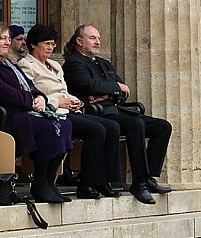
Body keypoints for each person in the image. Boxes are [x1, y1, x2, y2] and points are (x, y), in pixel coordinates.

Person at [62, 24, 172, 204]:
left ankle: (149, 176)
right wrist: (113, 89)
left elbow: (124, 90)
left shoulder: (103, 63)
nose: (97, 42)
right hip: (97, 113)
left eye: (98, 38)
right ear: (79, 41)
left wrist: (108, 92)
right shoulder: (74, 63)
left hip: (115, 109)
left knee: (162, 127)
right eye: (92, 38)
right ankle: (139, 182)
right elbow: (90, 86)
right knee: (136, 125)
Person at [18, 24, 123, 200]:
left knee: (111, 126)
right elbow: (32, 94)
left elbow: (63, 90)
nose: (51, 48)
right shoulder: (26, 65)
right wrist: (59, 102)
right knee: (96, 130)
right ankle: (87, 184)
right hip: (50, 112)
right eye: (47, 44)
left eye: (53, 44)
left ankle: (104, 181)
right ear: (34, 45)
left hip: (68, 110)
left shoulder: (54, 65)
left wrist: (75, 101)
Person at [0, 21, 73, 203]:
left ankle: (49, 181)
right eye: (3, 38)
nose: (8, 42)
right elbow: (1, 91)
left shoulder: (10, 63)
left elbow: (31, 86)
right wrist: (30, 101)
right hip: (8, 115)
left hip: (25, 109)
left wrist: (40, 97)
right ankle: (40, 182)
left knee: (64, 123)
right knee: (47, 128)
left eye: (9, 38)